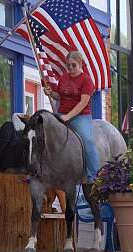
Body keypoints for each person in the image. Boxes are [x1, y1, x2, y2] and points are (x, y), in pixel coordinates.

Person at [43, 51, 98, 183]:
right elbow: (60, 96)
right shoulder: (63, 78)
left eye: (73, 65)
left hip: (80, 116)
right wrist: (51, 93)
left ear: (80, 64)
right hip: (62, 113)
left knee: (87, 141)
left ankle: (93, 176)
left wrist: (67, 117)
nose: (71, 68)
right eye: (68, 66)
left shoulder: (86, 80)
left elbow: (83, 102)